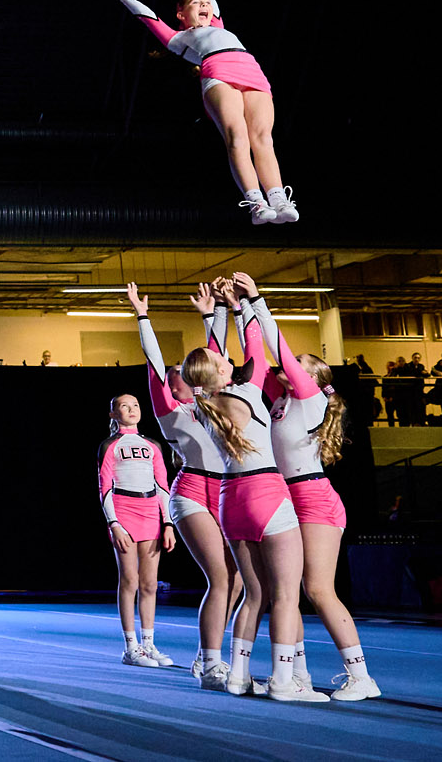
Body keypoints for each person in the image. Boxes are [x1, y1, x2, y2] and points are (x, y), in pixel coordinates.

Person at [181, 273, 325, 701]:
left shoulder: (204, 403)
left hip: (230, 499)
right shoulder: (245, 391)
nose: (227, 359)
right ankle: (283, 680)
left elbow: (211, 358)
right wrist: (243, 304)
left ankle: (238, 675)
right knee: (285, 595)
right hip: (265, 492)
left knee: (254, 593)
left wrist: (214, 315)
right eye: (221, 359)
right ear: (219, 371)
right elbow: (256, 350)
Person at [250, 297, 382, 700]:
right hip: (283, 495)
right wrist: (239, 311)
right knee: (285, 589)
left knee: (319, 589)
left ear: (311, 376)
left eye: (298, 362)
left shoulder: (311, 399)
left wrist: (257, 301)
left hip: (314, 497)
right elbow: (256, 355)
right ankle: (298, 675)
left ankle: (362, 677)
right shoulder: (280, 399)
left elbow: (277, 348)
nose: (288, 364)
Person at [129, 282, 243, 689]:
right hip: (193, 490)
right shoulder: (169, 410)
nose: (179, 372)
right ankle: (212, 664)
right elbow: (154, 362)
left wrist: (214, 314)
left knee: (239, 580)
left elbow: (217, 357)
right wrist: (143, 316)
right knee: (221, 577)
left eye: (184, 370)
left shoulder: (213, 401)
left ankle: (206, 652)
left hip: (227, 489)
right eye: (175, 372)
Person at [112, 0, 293, 224]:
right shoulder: (176, 38)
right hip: (218, 73)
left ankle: (279, 199)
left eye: (205, 2)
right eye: (196, 3)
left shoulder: (217, 24)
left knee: (263, 138)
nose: (204, 5)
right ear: (181, 13)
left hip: (251, 71)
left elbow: (213, 4)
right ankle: (257, 203)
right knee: (237, 137)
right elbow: (148, 17)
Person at [97, 394, 177, 667]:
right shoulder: (110, 445)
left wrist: (168, 523)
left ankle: (149, 644)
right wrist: (114, 523)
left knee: (150, 584)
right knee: (130, 580)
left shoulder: (152, 444)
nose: (131, 409)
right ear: (113, 414)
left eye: (136, 405)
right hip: (124, 512)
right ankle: (131, 647)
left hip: (150, 513)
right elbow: (104, 487)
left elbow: (163, 485)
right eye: (124, 406)